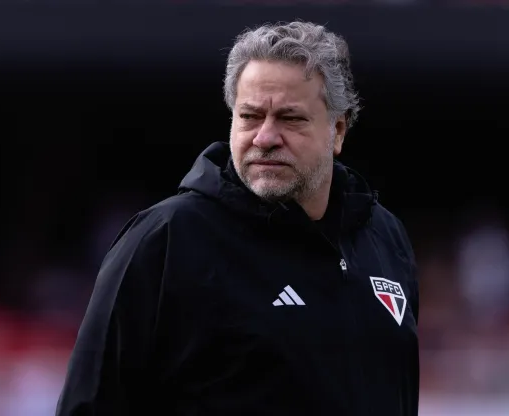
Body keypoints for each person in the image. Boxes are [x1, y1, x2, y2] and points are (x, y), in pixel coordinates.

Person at [56, 21, 419, 416]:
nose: (265, 137)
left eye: (290, 118)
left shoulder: (385, 236)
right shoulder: (165, 241)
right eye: (249, 116)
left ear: (338, 130)